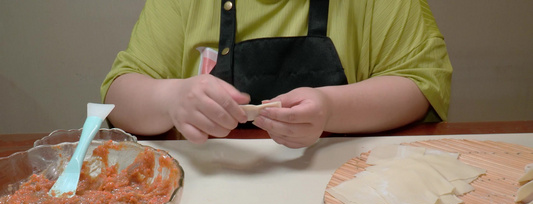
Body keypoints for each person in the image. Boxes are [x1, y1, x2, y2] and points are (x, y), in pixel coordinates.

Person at [101, 0, 452, 149]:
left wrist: (331, 107)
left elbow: (420, 84)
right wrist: (171, 100)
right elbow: (119, 96)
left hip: (345, 186)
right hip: (209, 200)